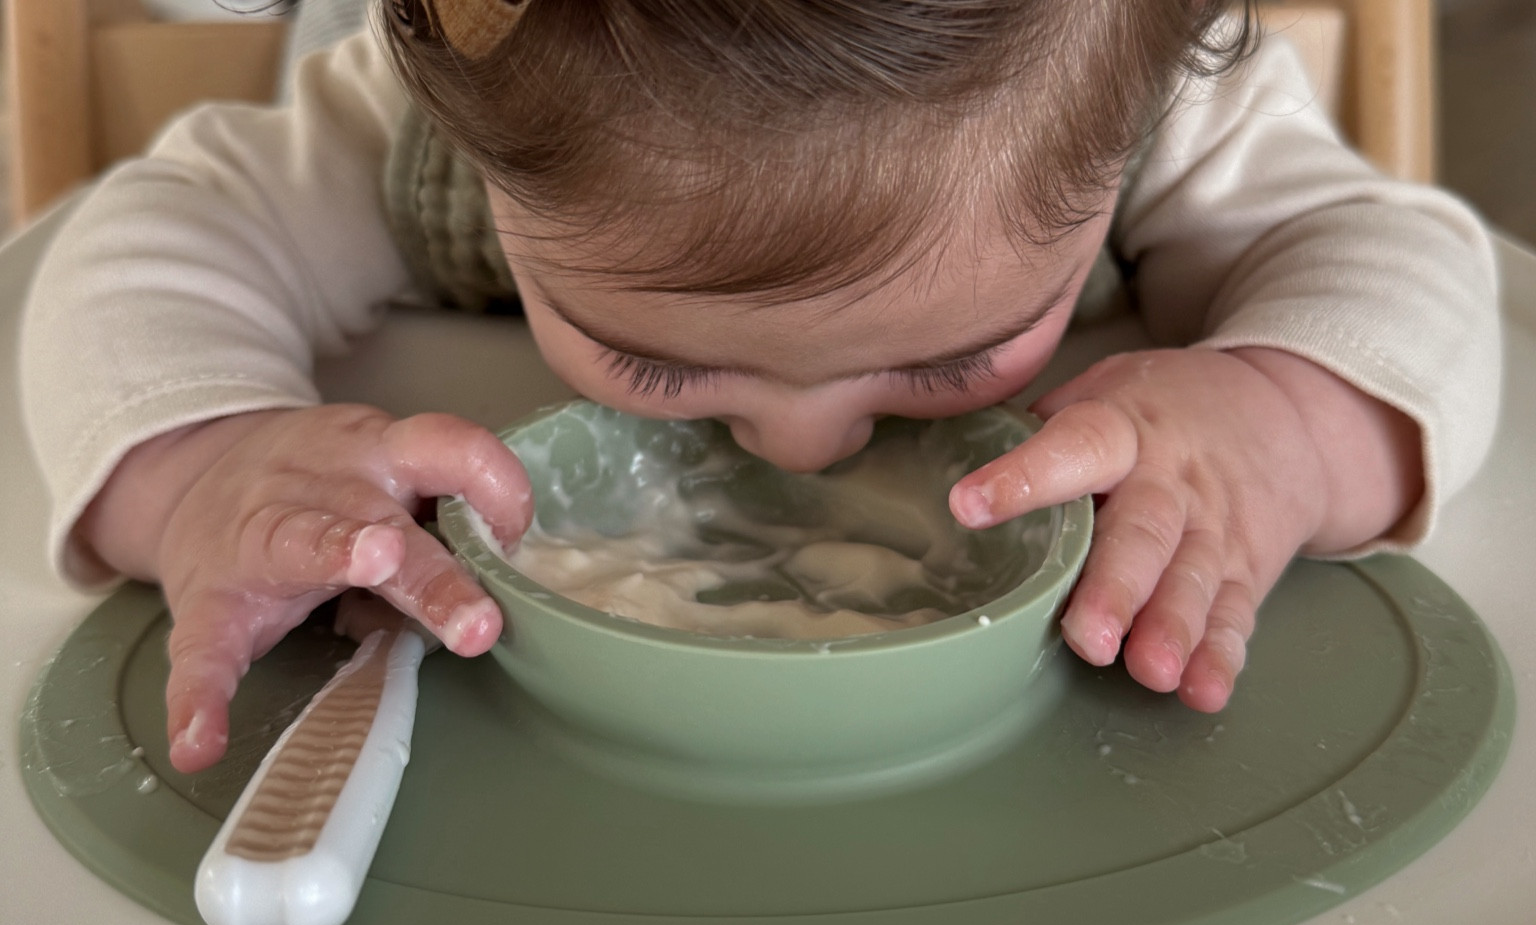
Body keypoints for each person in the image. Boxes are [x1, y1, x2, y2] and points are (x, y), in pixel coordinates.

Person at [20, 0, 1501, 774]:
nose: (810, 437)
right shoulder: (420, 131)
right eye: (657, 357)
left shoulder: (1149, 104)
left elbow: (1411, 271)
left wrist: (1285, 419)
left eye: (945, 355)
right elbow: (141, 248)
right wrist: (203, 456)